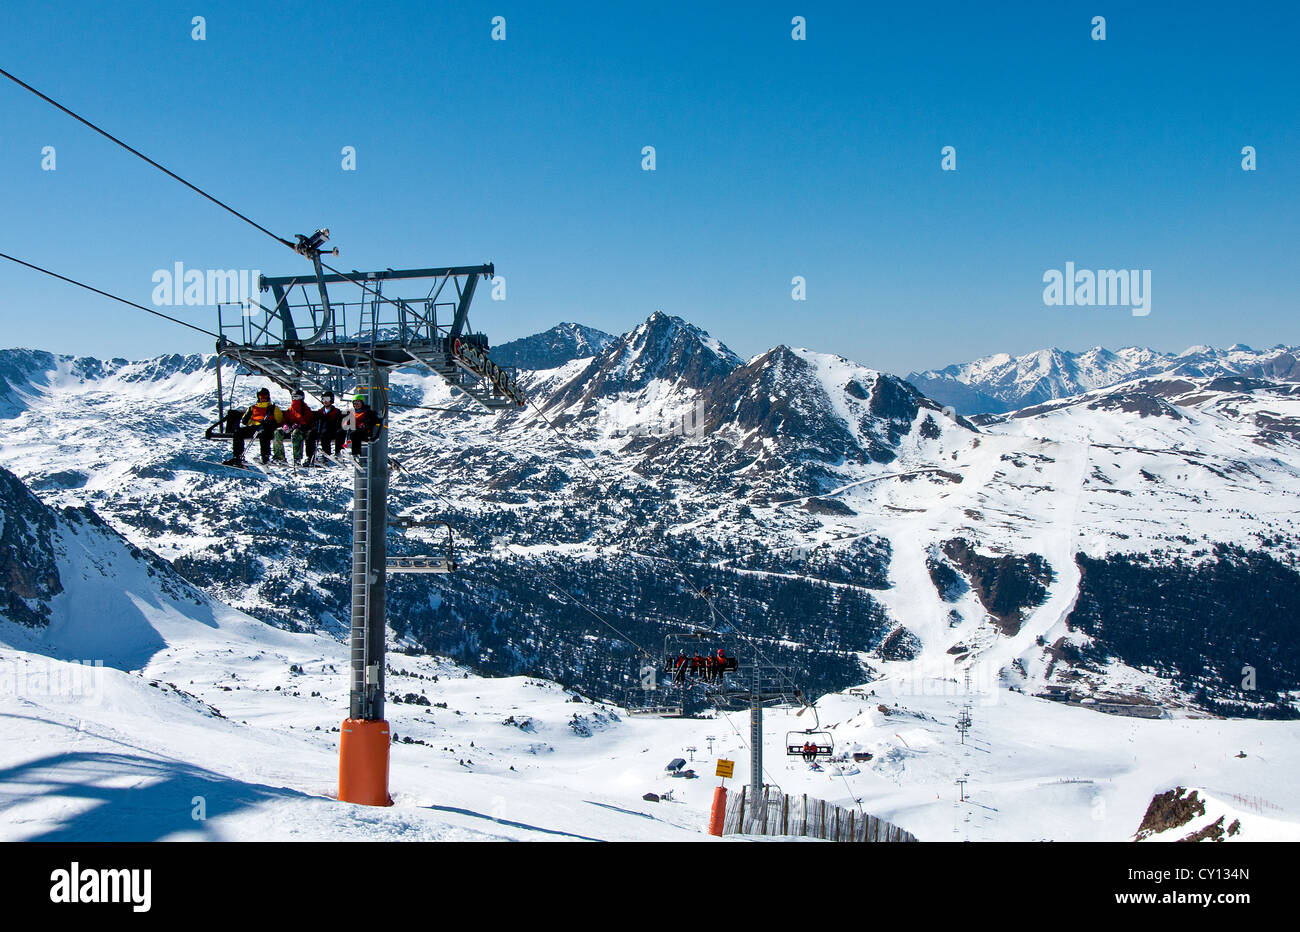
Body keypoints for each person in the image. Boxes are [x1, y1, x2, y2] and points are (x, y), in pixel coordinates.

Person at [224, 388, 283, 466]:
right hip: (255, 427)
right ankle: (237, 456)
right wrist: (247, 417)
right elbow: (246, 422)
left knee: (263, 433)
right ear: (258, 397)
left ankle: (265, 456)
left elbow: (279, 420)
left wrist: (269, 423)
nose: (263, 398)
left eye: (265, 396)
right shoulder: (253, 408)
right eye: (261, 396)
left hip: (268, 428)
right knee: (238, 433)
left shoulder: (273, 408)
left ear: (268, 396)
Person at [283, 389, 318, 466]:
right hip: (294, 429)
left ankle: (302, 458)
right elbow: (286, 419)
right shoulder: (291, 409)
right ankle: (296, 458)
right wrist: (286, 425)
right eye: (294, 397)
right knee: (294, 433)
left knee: (299, 434)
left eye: (297, 397)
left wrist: (299, 424)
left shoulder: (304, 408)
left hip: (304, 429)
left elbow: (309, 420)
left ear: (301, 398)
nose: (295, 399)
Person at [342, 392, 378, 457]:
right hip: (355, 431)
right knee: (341, 432)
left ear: (362, 403)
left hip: (365, 432)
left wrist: (364, 424)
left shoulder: (367, 411)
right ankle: (339, 452)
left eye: (358, 403)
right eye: (354, 403)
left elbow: (372, 420)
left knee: (354, 433)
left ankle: (356, 453)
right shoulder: (353, 412)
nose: (356, 405)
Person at [315, 391, 345, 461]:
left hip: (333, 432)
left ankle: (338, 453)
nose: (325, 401)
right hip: (324, 433)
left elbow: (340, 423)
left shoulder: (336, 411)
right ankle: (326, 454)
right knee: (324, 433)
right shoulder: (320, 412)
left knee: (341, 432)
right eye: (323, 399)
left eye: (327, 399)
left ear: (331, 399)